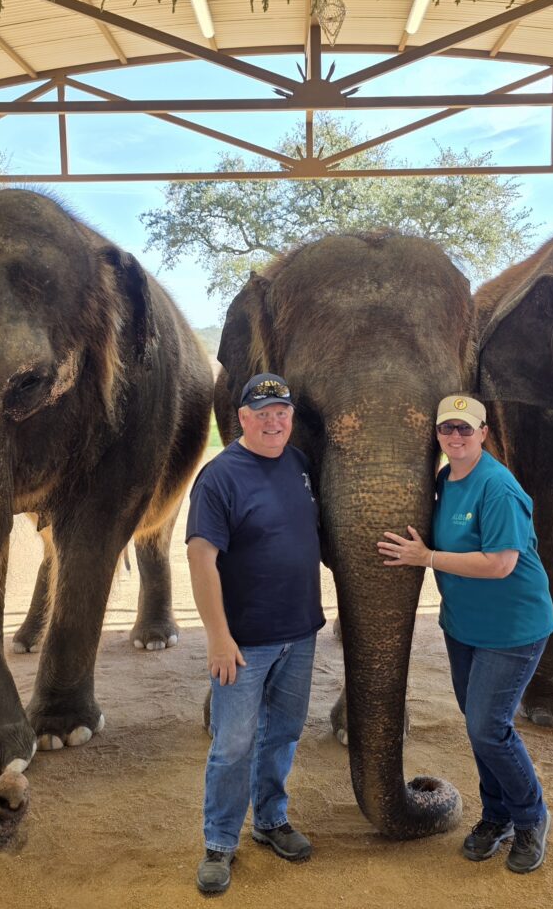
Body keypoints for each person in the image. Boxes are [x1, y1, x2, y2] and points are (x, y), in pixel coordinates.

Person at [376, 394, 553, 874]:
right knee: (481, 727)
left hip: (512, 627)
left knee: (487, 728)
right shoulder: (445, 480)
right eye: (446, 429)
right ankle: (496, 816)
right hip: (464, 627)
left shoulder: (497, 487)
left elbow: (500, 563)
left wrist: (427, 558)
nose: (455, 437)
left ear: (483, 433)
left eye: (465, 429)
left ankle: (531, 817)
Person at [186, 372, 325, 895]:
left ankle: (270, 820)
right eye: (262, 413)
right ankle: (220, 842)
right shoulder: (219, 476)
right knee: (234, 743)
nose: (273, 421)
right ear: (241, 419)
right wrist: (218, 637)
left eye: (281, 412)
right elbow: (201, 559)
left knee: (283, 733)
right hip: (243, 644)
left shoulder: (297, 464)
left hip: (300, 632)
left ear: (291, 417)